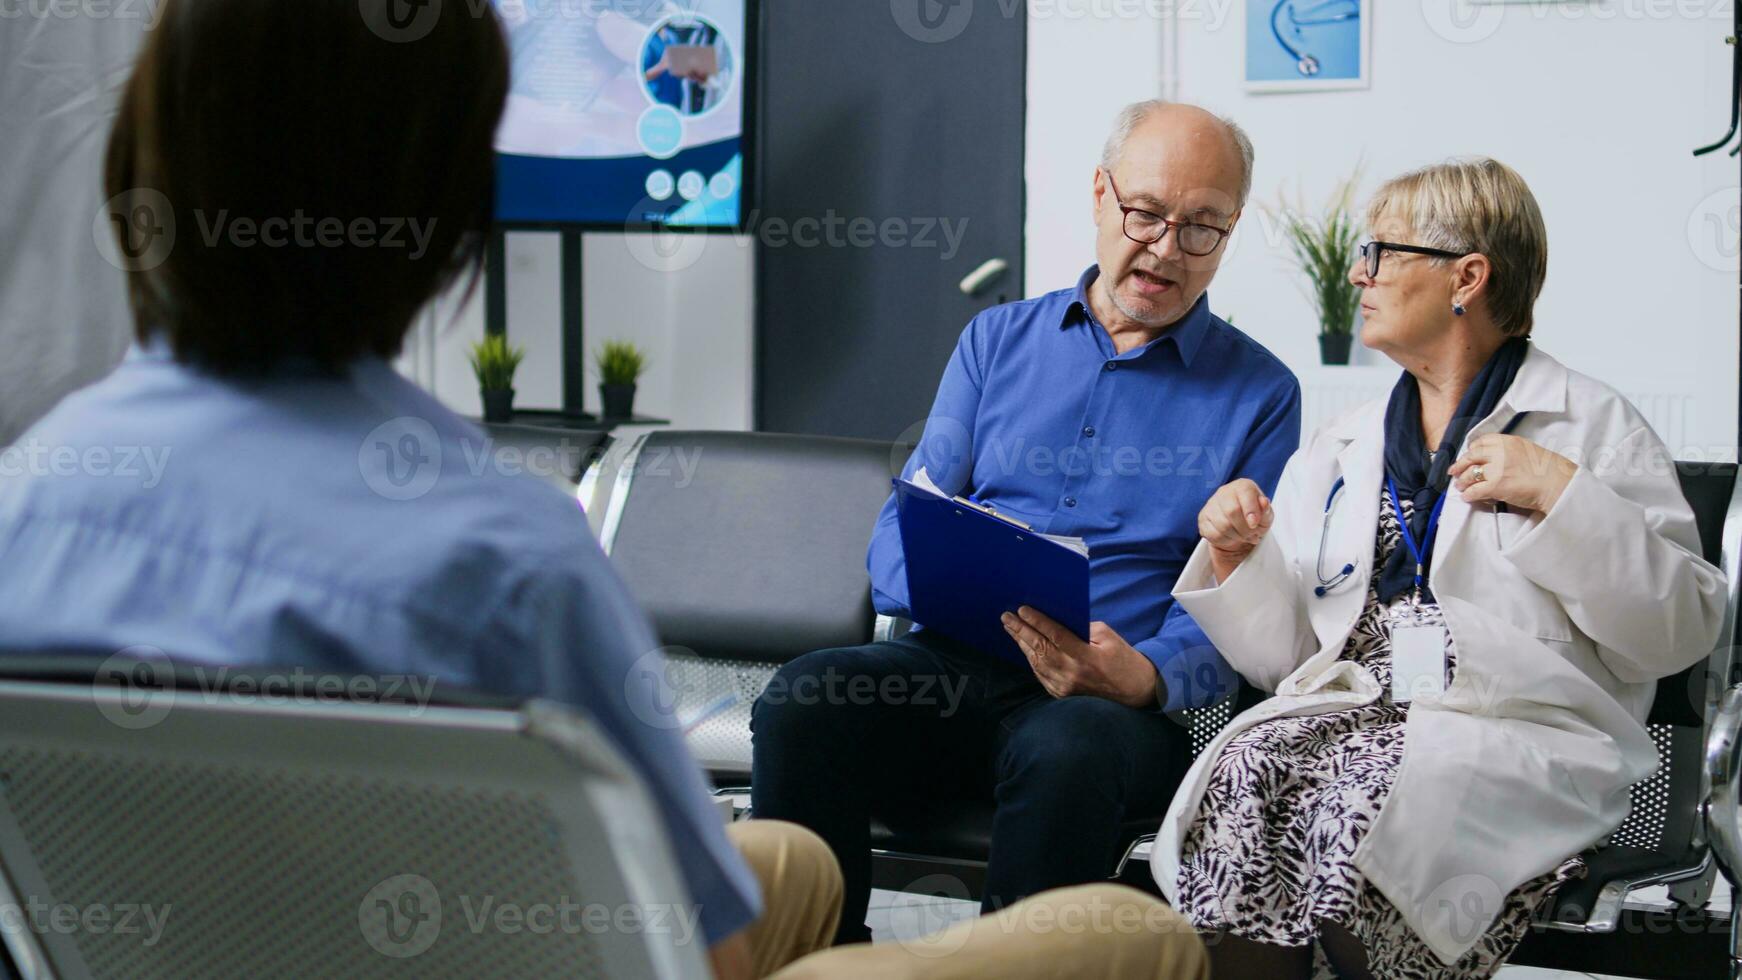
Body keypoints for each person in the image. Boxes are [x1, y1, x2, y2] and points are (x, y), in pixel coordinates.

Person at [0, 2, 1210, 977]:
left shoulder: (23, 506)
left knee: (792, 855)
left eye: (1194, 225)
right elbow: (681, 923)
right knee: (1139, 937)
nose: (1160, 243)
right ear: (438, 215)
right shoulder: (494, 555)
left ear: (138, 166)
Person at [1154, 157, 1728, 979]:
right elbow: (1288, 660)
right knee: (1250, 766)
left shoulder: (1589, 427)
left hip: (1516, 728)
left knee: (1361, 795)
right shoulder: (1346, 441)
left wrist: (1564, 498)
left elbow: (1679, 632)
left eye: (1382, 252)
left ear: (1467, 276)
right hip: (1351, 713)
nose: (1360, 274)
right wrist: (1238, 559)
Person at [752, 99, 1303, 944]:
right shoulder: (995, 341)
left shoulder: (1262, 395)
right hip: (952, 660)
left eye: (1201, 228)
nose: (1164, 249)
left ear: (1228, 237)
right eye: (1146, 212)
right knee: (805, 698)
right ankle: (815, 964)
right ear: (1098, 194)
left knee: (1066, 751)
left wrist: (1147, 677)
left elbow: (1246, 606)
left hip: (1110, 708)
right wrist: (946, 566)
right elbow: (902, 528)